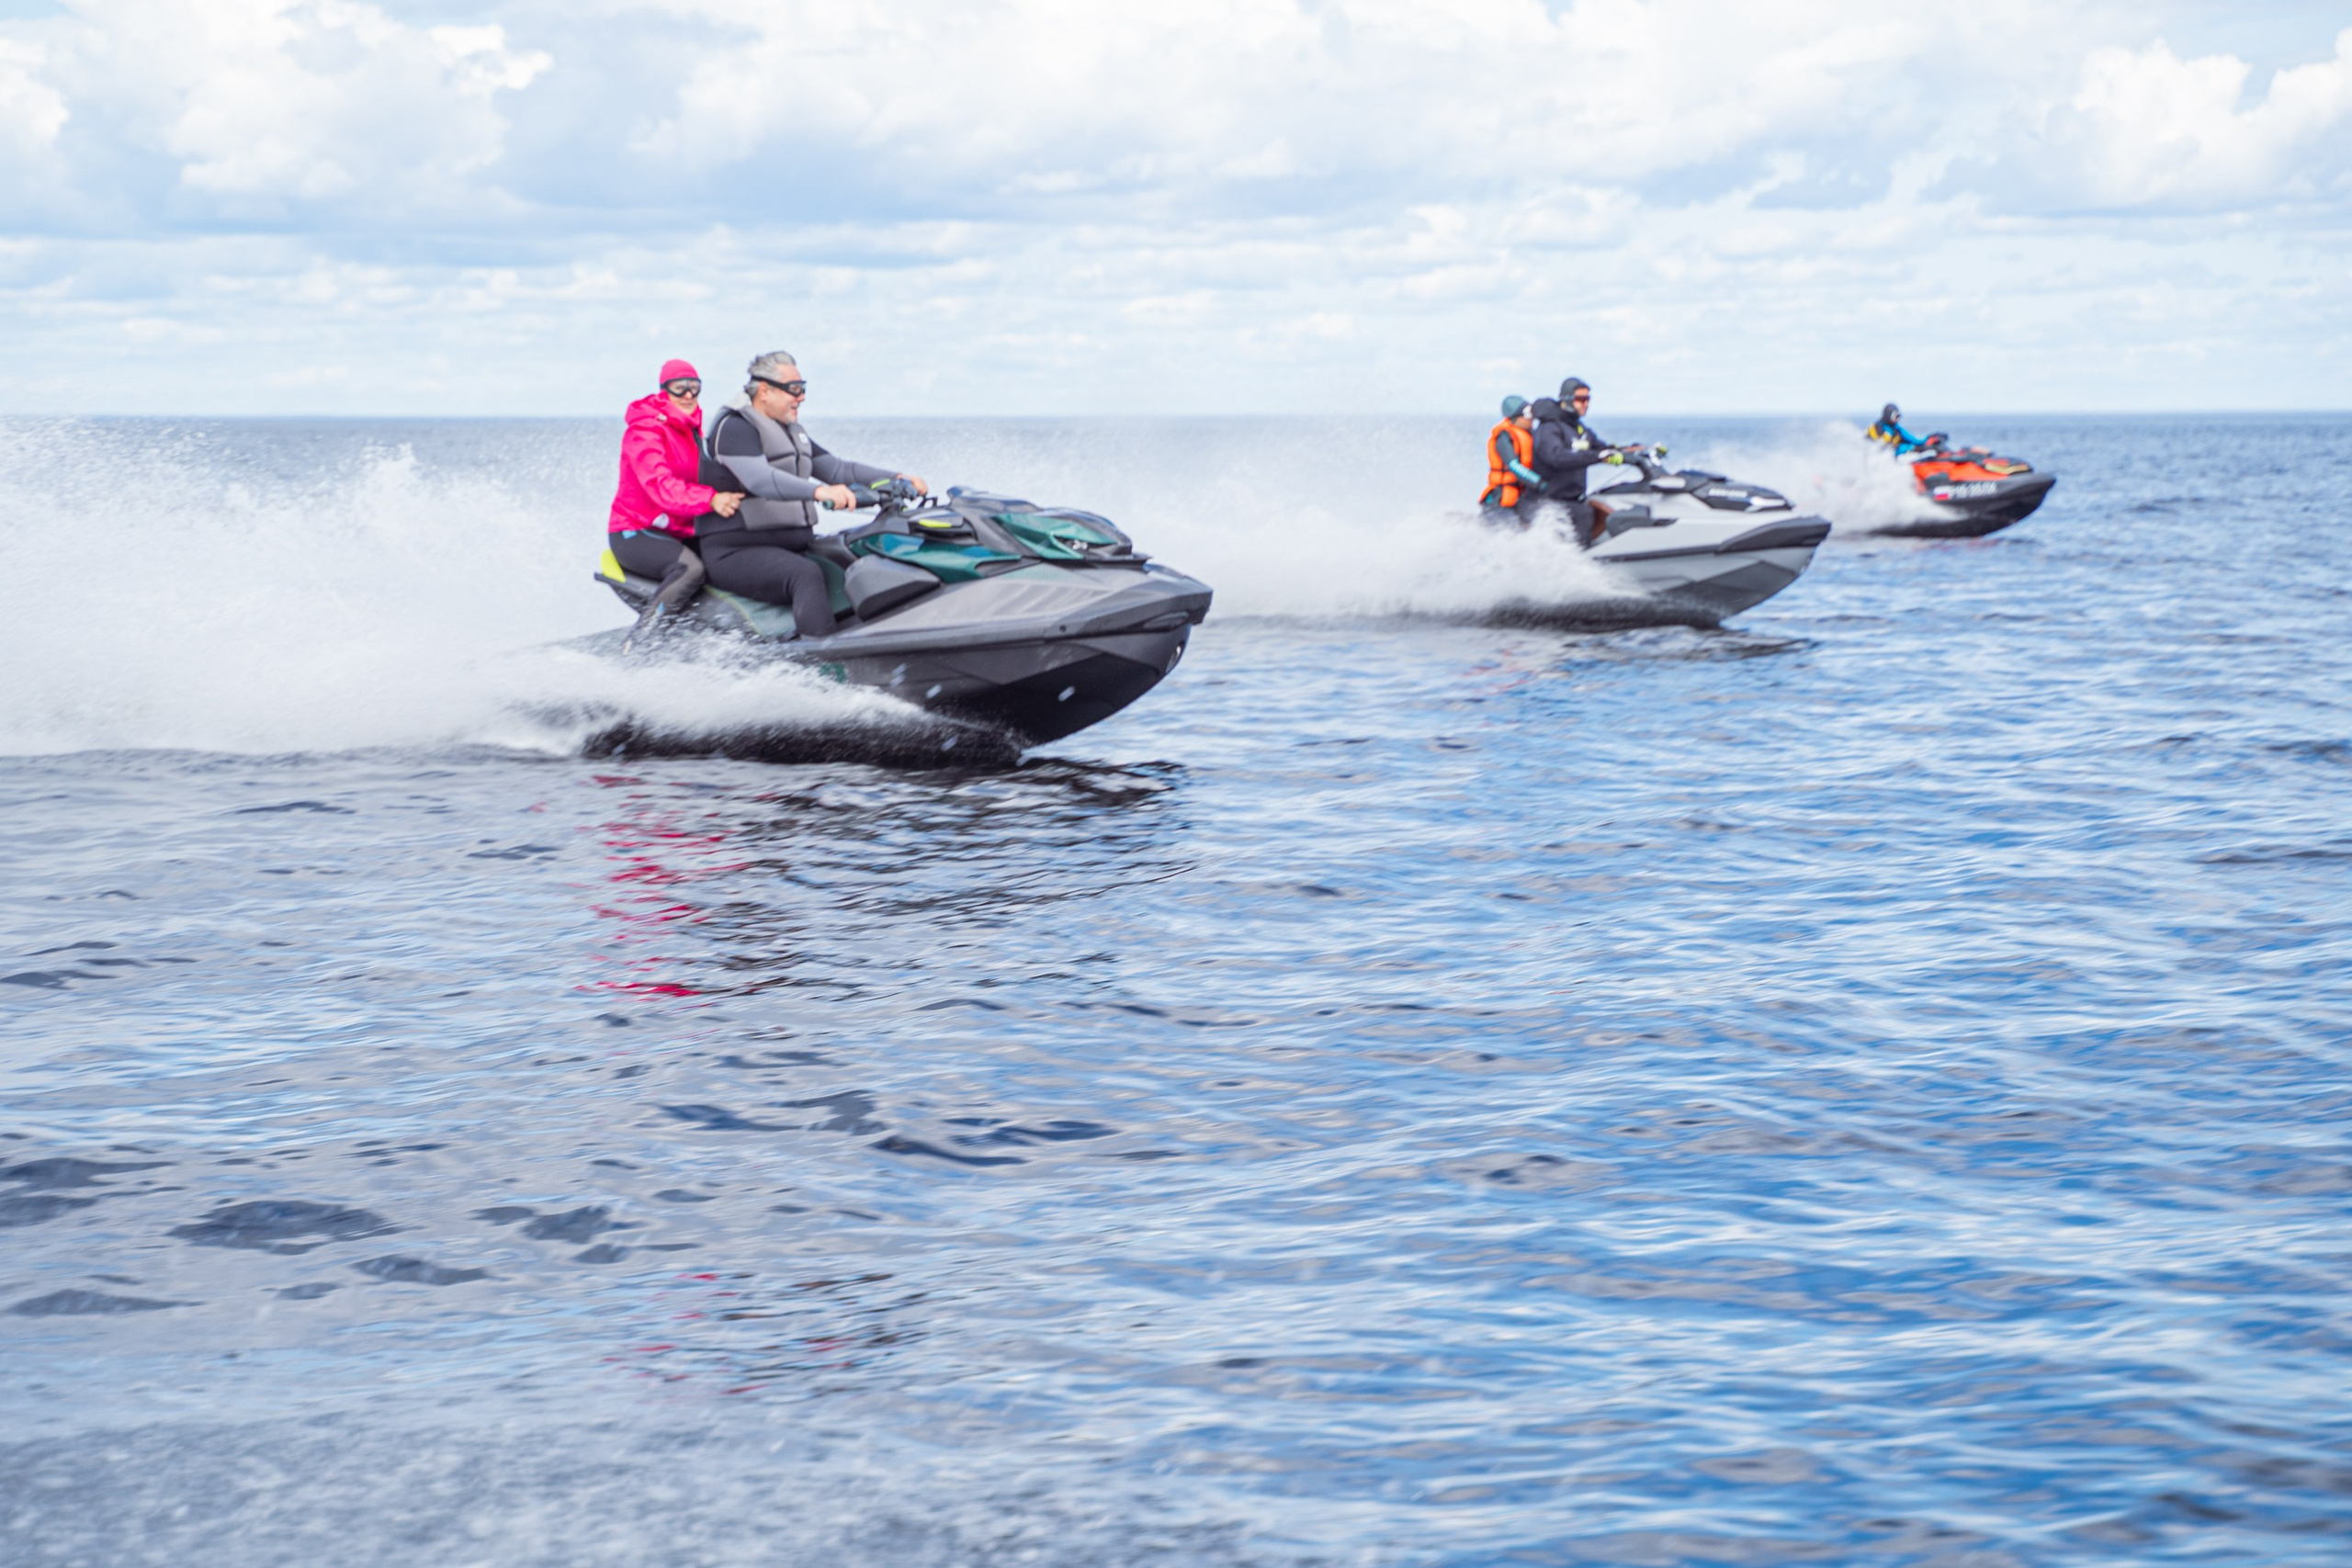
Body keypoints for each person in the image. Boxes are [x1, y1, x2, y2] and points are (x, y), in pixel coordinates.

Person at [697, 350, 929, 638]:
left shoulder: (791, 431)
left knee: (854, 554)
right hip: (735, 552)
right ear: (765, 391)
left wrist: (897, 477)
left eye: (803, 388)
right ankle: (819, 657)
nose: (802, 397)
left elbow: (838, 469)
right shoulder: (734, 428)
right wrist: (819, 491)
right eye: (795, 389)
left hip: (792, 544)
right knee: (804, 574)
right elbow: (761, 480)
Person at [607, 359, 735, 649]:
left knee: (729, 554)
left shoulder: (691, 430)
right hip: (634, 531)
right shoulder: (644, 432)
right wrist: (711, 499)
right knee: (689, 569)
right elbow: (662, 487)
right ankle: (639, 644)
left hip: (678, 530)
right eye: (680, 388)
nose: (688, 395)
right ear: (664, 391)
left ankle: (710, 639)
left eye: (694, 387)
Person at [1531, 377, 1630, 547]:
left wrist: (1634, 451)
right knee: (1584, 514)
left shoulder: (1579, 429)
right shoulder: (1549, 428)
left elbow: (1602, 448)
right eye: (1581, 399)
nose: (1586, 404)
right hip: (1551, 500)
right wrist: (1597, 457)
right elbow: (1556, 457)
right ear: (1567, 399)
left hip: (1574, 498)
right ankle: (1580, 561)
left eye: (1588, 399)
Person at [1479, 395, 1542, 519]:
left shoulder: (1530, 435)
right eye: (1527, 415)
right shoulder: (1504, 436)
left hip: (1522, 496)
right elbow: (1513, 465)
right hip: (1500, 499)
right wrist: (1539, 483)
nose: (1532, 418)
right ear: (1515, 417)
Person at [1866, 403, 1943, 456]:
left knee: (1922, 447)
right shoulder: (1877, 428)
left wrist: (1930, 437)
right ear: (1888, 415)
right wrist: (1912, 448)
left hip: (1895, 453)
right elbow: (1890, 450)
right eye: (1896, 416)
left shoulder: (1896, 428)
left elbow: (1915, 440)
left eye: (1899, 416)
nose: (1898, 419)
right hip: (1885, 458)